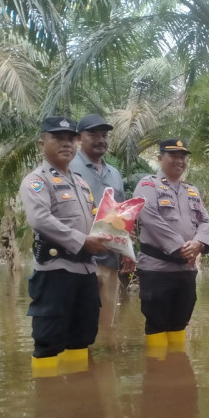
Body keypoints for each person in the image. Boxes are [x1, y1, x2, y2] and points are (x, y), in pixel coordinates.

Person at [19, 116, 109, 374]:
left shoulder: (80, 182)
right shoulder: (37, 180)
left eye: (71, 138)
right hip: (55, 272)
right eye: (58, 137)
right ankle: (48, 404)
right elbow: (40, 219)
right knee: (48, 341)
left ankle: (79, 403)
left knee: (82, 338)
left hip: (86, 272)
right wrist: (83, 241)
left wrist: (112, 237)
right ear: (41, 143)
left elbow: (94, 220)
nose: (66, 143)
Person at [134, 139, 209, 352]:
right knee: (157, 323)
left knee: (180, 322)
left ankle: (177, 371)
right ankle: (158, 373)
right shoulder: (148, 185)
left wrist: (198, 243)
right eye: (173, 156)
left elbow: (205, 220)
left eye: (183, 157)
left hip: (185, 270)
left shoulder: (192, 191)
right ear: (160, 158)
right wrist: (179, 246)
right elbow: (147, 214)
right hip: (157, 269)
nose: (180, 161)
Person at [70, 113, 133, 329]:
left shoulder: (114, 174)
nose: (100, 140)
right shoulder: (68, 168)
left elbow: (121, 215)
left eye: (104, 135)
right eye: (93, 134)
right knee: (78, 327)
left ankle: (104, 363)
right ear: (79, 138)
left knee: (106, 326)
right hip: (78, 259)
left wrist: (126, 251)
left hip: (109, 259)